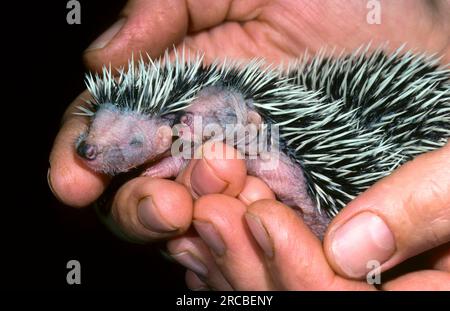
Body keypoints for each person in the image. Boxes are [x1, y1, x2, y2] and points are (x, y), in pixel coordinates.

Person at [49, 0, 450, 290]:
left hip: (393, 126)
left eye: (133, 141)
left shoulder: (224, 119)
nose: (90, 149)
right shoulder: (203, 127)